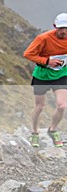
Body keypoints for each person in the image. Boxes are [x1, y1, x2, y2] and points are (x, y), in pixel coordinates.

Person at [23, 12, 67, 148]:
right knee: (40, 106)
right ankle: (34, 132)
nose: (63, 31)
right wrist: (48, 61)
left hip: (61, 75)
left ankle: (52, 130)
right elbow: (28, 54)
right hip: (42, 76)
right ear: (55, 26)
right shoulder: (43, 38)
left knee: (62, 105)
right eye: (60, 28)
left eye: (66, 28)